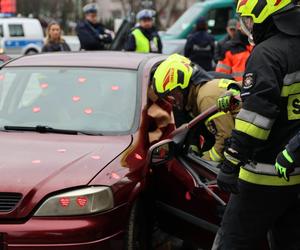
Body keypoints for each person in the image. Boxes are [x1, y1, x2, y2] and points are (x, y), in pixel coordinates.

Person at [213, 0, 300, 249]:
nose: (245, 28)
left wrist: (231, 162)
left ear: (266, 16)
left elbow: (257, 121)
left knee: (232, 242)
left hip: (262, 177)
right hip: (295, 174)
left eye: (248, 20)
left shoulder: (266, 53)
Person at [152, 54, 240, 162]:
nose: (172, 102)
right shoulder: (196, 97)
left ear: (183, 86)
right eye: (167, 99)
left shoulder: (205, 97)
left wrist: (204, 161)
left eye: (172, 95)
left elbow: (225, 139)